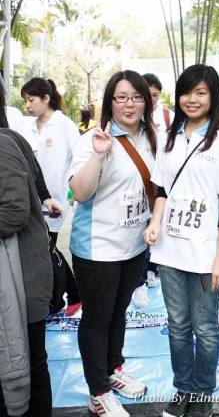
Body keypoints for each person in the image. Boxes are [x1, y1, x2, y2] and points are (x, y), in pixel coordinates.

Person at [143, 64, 219, 417]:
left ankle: (203, 392)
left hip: (205, 251)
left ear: (213, 96)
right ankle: (183, 388)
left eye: (201, 92)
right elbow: (162, 189)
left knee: (205, 327)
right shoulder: (169, 137)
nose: (192, 99)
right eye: (187, 92)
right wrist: (155, 223)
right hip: (169, 249)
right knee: (177, 325)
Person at [69, 70, 157, 417]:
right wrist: (98, 155)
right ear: (110, 102)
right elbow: (79, 192)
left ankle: (112, 369)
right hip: (97, 248)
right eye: (121, 97)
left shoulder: (152, 136)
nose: (129, 104)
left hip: (134, 246)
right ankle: (98, 392)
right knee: (97, 318)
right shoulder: (94, 139)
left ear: (146, 101)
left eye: (136, 97)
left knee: (119, 312)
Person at [0, 85, 53, 417]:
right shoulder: (12, 139)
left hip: (23, 279)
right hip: (16, 276)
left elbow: (14, 211)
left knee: (31, 362)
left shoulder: (3, 143)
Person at [21, 77, 81, 317]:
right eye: (25, 101)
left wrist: (74, 191)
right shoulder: (26, 125)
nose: (27, 105)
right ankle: (70, 296)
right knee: (46, 248)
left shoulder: (64, 125)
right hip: (30, 197)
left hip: (54, 200)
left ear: (46, 98)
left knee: (48, 247)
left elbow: (80, 158)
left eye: (31, 100)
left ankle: (64, 298)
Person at [132, 73, 175, 309]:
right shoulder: (133, 116)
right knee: (142, 230)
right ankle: (139, 282)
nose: (151, 100)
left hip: (162, 184)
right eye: (146, 95)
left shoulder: (168, 117)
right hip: (138, 183)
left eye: (155, 95)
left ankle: (151, 270)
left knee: (156, 228)